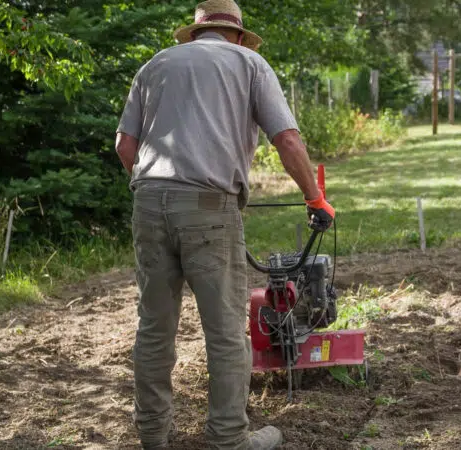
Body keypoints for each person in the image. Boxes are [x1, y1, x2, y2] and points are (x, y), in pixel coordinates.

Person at [114, 0, 335, 448]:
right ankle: (229, 438)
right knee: (226, 331)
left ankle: (153, 436)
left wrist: (158, 190)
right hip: (209, 206)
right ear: (236, 34)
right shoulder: (249, 63)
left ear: (196, 33)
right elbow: (287, 138)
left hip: (149, 201)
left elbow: (125, 145)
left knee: (154, 327)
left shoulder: (154, 65)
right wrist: (315, 199)